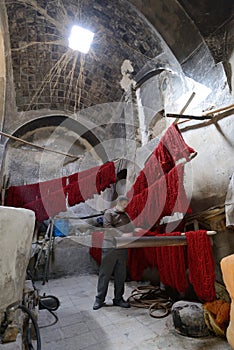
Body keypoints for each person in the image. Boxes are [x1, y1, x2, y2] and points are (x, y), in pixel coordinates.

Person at [93, 195, 139, 310]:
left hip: (123, 247)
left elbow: (131, 228)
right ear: (118, 203)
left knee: (121, 274)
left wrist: (135, 231)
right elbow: (107, 227)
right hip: (110, 246)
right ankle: (99, 299)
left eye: (126, 205)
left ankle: (118, 299)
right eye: (123, 204)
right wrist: (122, 234)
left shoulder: (126, 216)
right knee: (105, 274)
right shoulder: (109, 213)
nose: (125, 206)